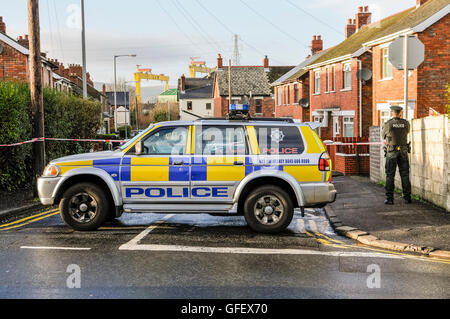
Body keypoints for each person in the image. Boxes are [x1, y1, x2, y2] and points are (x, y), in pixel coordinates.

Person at [381, 105, 412, 205]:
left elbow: (383, 136)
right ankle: (407, 198)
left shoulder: (388, 124)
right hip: (403, 151)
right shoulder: (406, 123)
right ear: (400, 113)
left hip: (392, 152)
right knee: (405, 175)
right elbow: (407, 132)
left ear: (392, 113)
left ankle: (390, 199)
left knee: (390, 175)